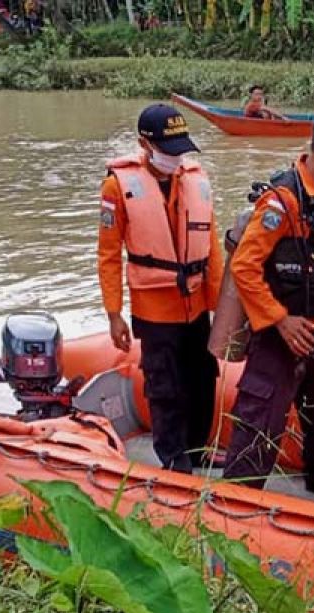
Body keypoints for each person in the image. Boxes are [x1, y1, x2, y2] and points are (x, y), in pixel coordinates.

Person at [222, 111, 314, 500]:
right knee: (262, 413)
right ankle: (239, 494)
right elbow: (245, 267)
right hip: (280, 332)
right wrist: (280, 320)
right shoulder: (281, 202)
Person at [97, 103, 224, 473]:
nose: (176, 158)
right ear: (144, 144)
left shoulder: (196, 180)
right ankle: (173, 457)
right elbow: (108, 254)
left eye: (180, 150)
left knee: (203, 378)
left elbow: (211, 247)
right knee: (164, 383)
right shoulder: (116, 186)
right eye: (168, 151)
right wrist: (113, 313)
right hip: (154, 307)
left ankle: (198, 449)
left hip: (197, 303)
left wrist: (220, 308)